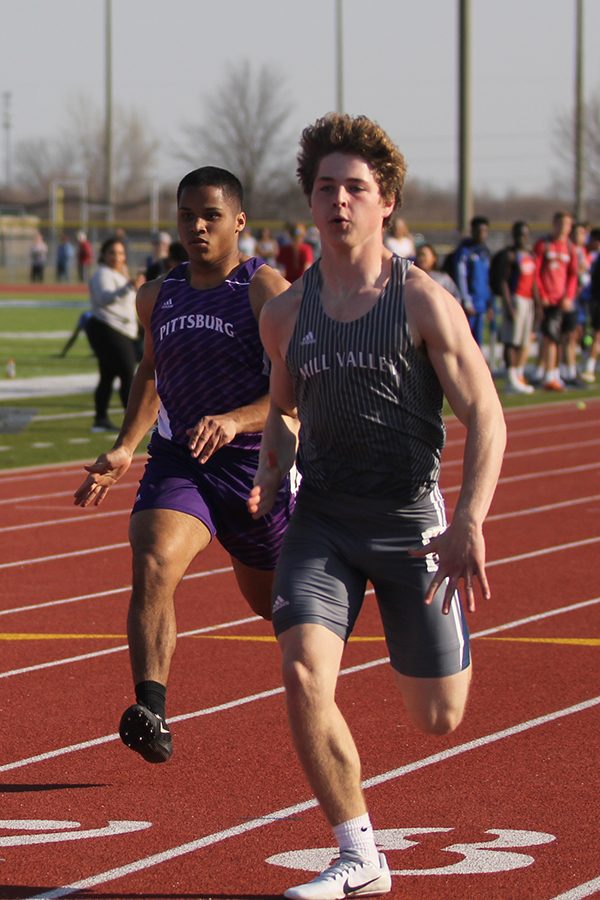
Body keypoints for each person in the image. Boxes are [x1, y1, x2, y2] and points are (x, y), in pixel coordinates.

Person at [247, 113, 506, 900]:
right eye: (326, 188)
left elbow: (487, 417)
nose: (339, 201)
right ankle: (359, 853)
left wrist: (466, 522)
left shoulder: (423, 302)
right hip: (323, 519)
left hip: (410, 526)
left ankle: (439, 646)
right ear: (310, 201)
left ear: (385, 201)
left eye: (355, 188)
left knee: (438, 719)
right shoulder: (286, 315)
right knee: (299, 673)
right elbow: (285, 413)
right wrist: (272, 466)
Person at [73, 166, 295, 766]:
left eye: (210, 216)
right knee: (151, 556)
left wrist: (235, 419)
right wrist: (125, 446)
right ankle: (152, 709)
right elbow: (151, 370)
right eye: (186, 216)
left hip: (254, 470)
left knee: (280, 610)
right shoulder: (158, 295)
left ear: (239, 222)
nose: (196, 227)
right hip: (182, 461)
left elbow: (293, 388)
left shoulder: (265, 290)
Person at [86, 237, 145, 432]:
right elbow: (105, 298)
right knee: (128, 373)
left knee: (108, 375)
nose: (116, 257)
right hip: (108, 328)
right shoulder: (102, 274)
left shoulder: (119, 274)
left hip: (121, 330)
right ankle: (134, 423)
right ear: (103, 255)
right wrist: (128, 286)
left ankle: (100, 419)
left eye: (120, 253)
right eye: (112, 252)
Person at [533, 211, 578, 392]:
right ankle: (548, 375)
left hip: (563, 300)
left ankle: (558, 372)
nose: (563, 227)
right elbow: (536, 272)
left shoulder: (570, 247)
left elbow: (573, 275)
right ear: (554, 224)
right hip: (548, 300)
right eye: (560, 223)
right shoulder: (544, 245)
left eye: (567, 224)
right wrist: (542, 295)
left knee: (565, 336)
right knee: (550, 337)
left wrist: (568, 296)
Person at [497, 221, 539, 394]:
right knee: (511, 341)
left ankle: (519, 374)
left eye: (525, 234)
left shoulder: (530, 254)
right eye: (519, 234)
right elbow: (503, 281)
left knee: (523, 341)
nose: (522, 237)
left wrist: (538, 304)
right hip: (516, 299)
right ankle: (510, 377)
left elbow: (534, 281)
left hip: (528, 300)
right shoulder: (511, 255)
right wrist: (508, 305)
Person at [454, 215, 493, 349]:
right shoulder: (465, 252)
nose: (482, 234)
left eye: (485, 231)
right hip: (470, 302)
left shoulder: (485, 252)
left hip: (482, 302)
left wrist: (489, 303)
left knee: (479, 341)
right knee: (466, 340)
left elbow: (487, 279)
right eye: (479, 231)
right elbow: (461, 277)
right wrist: (466, 300)